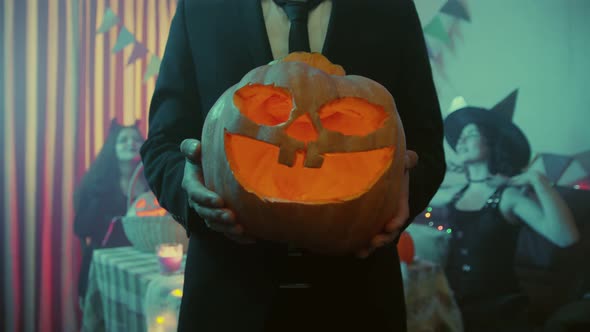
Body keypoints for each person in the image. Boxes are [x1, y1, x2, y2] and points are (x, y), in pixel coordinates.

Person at [140, 1, 446, 331]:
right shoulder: (200, 9)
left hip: (358, 299)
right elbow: (162, 144)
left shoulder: (391, 8)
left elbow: (426, 147)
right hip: (228, 299)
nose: (305, 134)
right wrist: (191, 191)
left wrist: (402, 193)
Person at [430, 104, 580, 331]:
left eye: (470, 134)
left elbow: (565, 237)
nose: (460, 141)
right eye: (459, 137)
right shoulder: (454, 195)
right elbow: (412, 194)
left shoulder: (508, 197)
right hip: (454, 309)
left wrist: (537, 180)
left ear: (490, 143)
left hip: (500, 314)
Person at [73, 119, 148, 302]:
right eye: (123, 140)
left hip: (140, 266)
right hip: (102, 266)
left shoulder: (151, 184)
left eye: (136, 140)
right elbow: (82, 229)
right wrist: (96, 198)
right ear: (112, 148)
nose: (130, 143)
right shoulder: (97, 185)